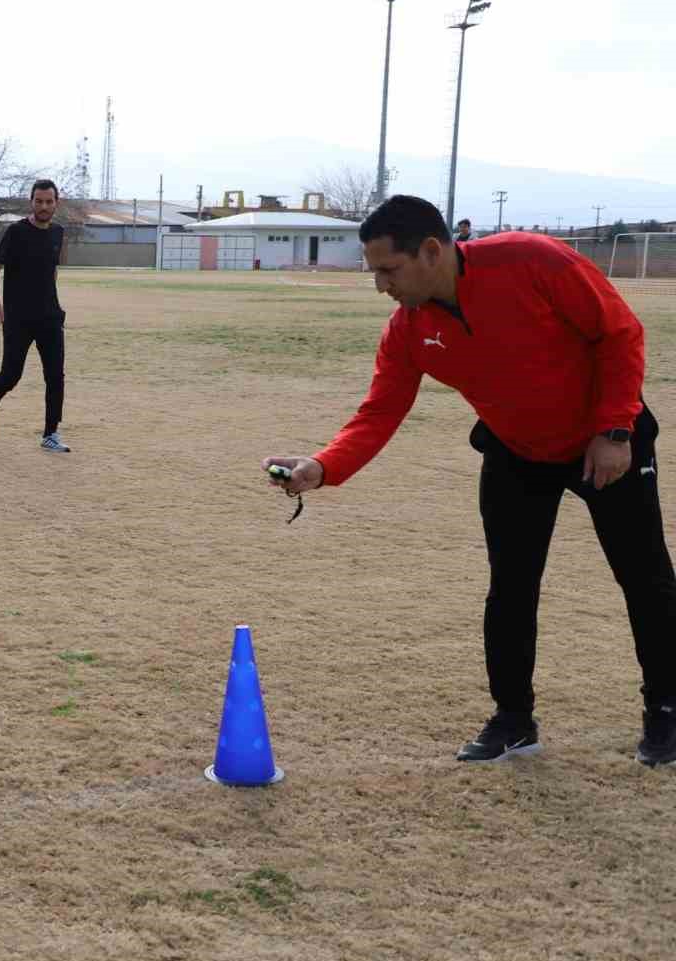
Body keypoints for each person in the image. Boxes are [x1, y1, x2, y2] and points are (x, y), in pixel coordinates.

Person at [263, 194, 676, 768]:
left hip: (605, 444)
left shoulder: (533, 261)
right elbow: (379, 413)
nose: (381, 285)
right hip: (515, 452)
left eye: (388, 270)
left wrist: (613, 431)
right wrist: (322, 467)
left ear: (431, 251)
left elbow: (620, 334)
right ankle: (513, 719)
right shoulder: (408, 329)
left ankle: (667, 711)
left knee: (645, 577)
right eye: (374, 271)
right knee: (510, 586)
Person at [0, 178, 72, 452]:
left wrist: (53, 301)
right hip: (18, 318)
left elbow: (53, 270)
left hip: (50, 317)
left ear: (56, 203)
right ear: (31, 202)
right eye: (39, 201)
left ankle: (50, 433)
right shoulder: (15, 232)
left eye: (49, 201)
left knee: (56, 376)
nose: (44, 206)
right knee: (11, 374)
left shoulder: (58, 232)